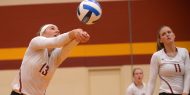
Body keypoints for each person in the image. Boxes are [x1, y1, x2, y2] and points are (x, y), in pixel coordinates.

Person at [10, 24, 90, 95]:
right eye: (52, 28)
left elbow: (66, 48)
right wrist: (73, 33)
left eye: (58, 30)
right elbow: (58, 42)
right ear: (43, 33)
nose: (57, 31)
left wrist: (79, 38)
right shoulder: (35, 42)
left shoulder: (55, 56)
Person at [146, 25, 190, 95]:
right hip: (165, 93)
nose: (167, 35)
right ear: (160, 40)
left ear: (174, 35)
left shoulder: (184, 52)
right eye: (163, 34)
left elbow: (188, 74)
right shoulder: (157, 56)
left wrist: (186, 91)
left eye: (169, 32)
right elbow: (151, 81)